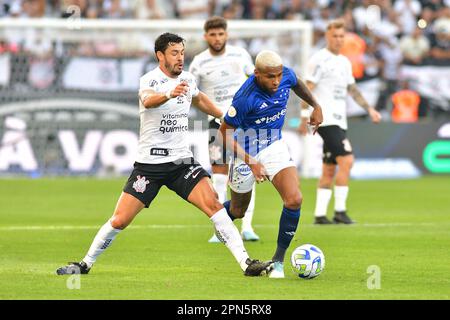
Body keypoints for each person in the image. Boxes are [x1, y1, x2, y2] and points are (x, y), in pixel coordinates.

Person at [56, 33, 271, 277]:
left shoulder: (188, 79)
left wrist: (225, 116)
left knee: (214, 205)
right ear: (160, 56)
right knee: (120, 220)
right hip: (150, 165)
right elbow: (148, 101)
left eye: (182, 52)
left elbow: (200, 99)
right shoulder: (150, 80)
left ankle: (246, 263)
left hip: (181, 162)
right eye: (174, 53)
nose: (180, 58)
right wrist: (169, 93)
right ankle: (85, 264)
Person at [219, 50, 323, 278]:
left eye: (278, 75)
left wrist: (315, 105)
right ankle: (219, 218)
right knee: (238, 210)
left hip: (273, 144)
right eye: (270, 77)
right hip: (244, 152)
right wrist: (252, 162)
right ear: (257, 73)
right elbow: (223, 134)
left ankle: (278, 261)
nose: (276, 81)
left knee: (294, 199)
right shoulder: (245, 97)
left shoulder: (285, 74)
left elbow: (297, 84)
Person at [298, 20, 382, 225]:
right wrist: (303, 117)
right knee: (347, 160)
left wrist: (369, 109)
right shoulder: (319, 60)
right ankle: (340, 211)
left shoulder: (344, 62)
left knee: (329, 168)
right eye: (335, 36)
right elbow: (306, 89)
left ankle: (319, 215)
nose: (338, 39)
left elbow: (352, 89)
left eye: (341, 36)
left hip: (339, 120)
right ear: (327, 37)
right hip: (325, 121)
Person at [189, 16, 260, 243]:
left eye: (221, 34)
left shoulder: (240, 55)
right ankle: (219, 229)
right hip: (216, 123)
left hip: (244, 122)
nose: (217, 38)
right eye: (213, 34)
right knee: (219, 175)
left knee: (247, 171)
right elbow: (191, 91)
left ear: (226, 35)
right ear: (206, 36)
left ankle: (247, 227)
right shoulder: (199, 62)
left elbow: (255, 78)